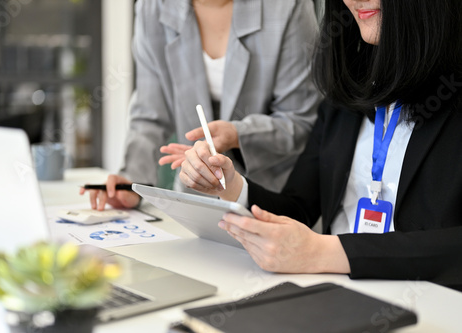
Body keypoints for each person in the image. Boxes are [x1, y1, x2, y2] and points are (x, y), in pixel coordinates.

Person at [179, 0, 462, 291]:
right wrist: (229, 186)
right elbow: (299, 209)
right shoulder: (349, 95)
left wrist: (327, 252)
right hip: (331, 294)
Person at [80, 0, 321, 210]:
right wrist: (132, 182)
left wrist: (238, 134)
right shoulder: (153, 7)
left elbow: (300, 121)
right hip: (194, 195)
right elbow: (149, 114)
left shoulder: (289, 7)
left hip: (271, 195)